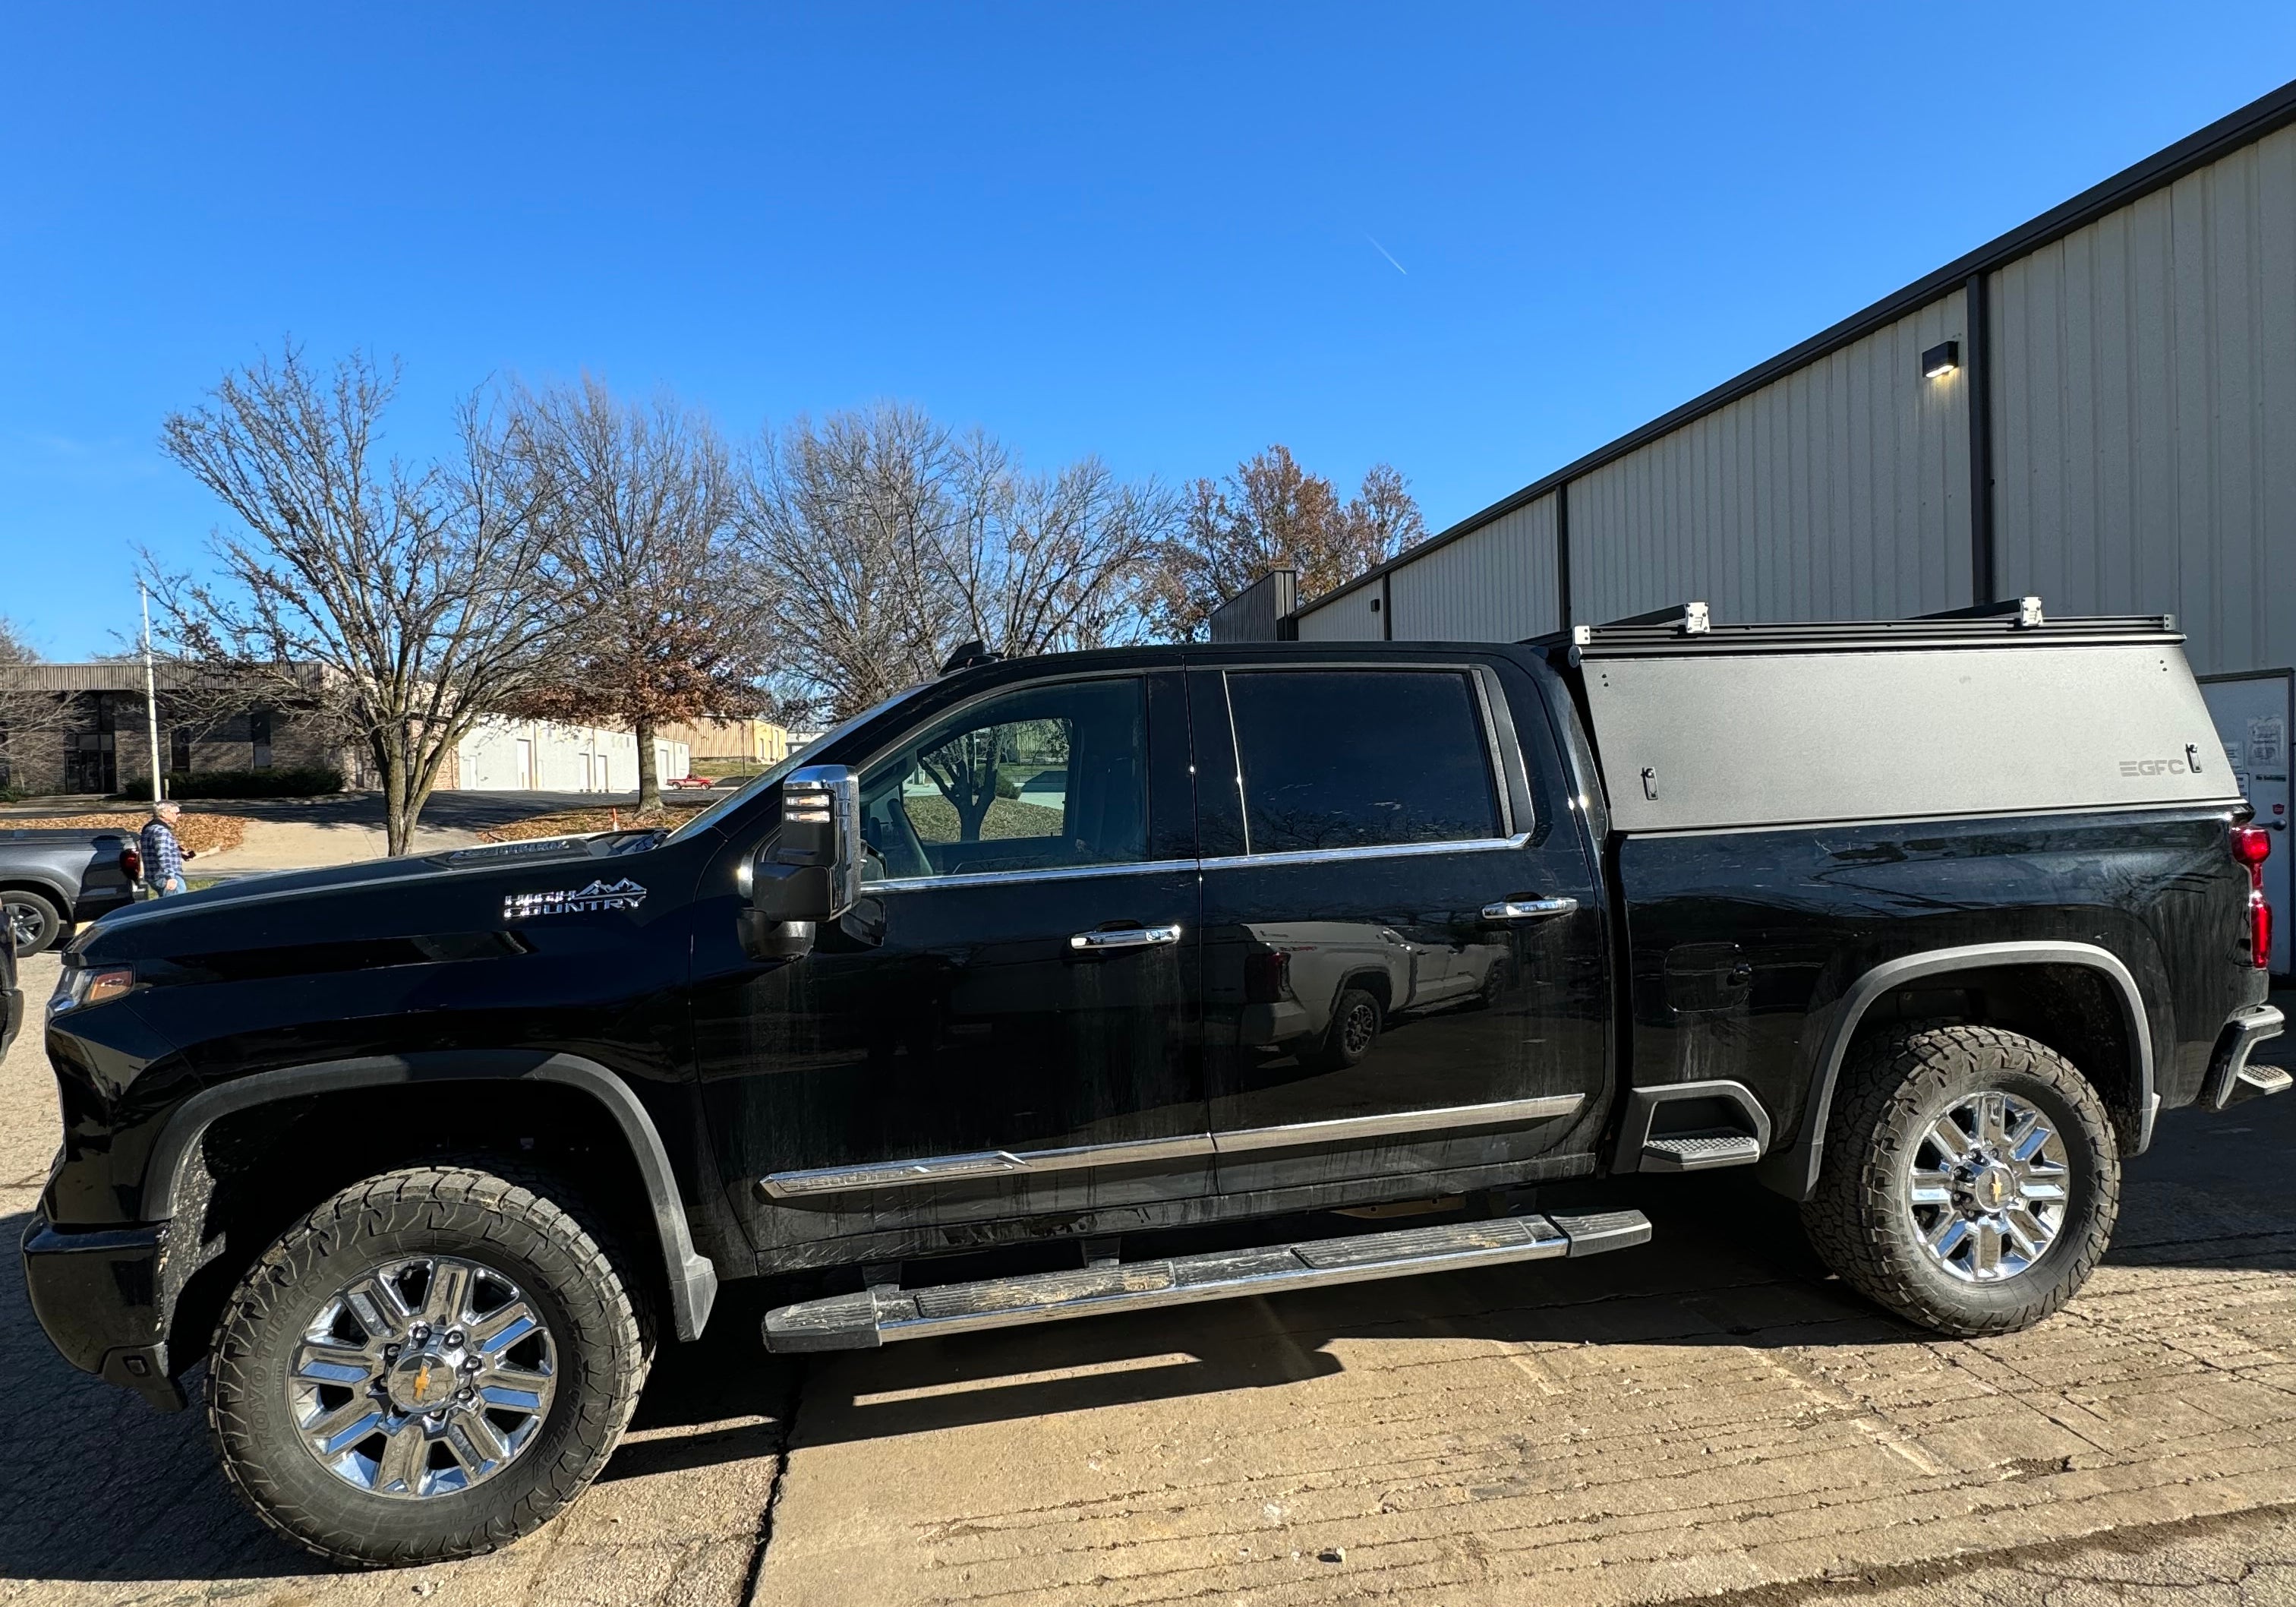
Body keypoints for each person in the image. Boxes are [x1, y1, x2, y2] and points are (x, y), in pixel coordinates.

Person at [140, 801, 194, 898]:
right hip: (166, 877)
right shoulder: (161, 831)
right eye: (176, 813)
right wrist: (171, 877)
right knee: (176, 908)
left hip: (155, 876)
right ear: (164, 814)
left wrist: (180, 853)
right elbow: (163, 855)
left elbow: (156, 849)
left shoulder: (150, 828)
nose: (179, 815)